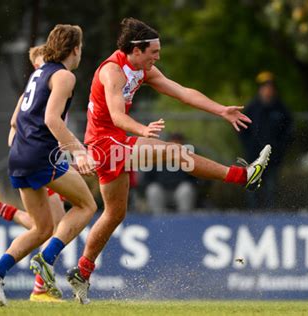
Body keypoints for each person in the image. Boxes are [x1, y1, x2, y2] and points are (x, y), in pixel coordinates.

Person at [65, 18, 271, 304]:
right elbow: (116, 116)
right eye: (154, 52)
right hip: (105, 144)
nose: (157, 57)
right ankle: (244, 176)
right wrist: (142, 130)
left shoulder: (142, 68)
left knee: (114, 213)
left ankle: (82, 271)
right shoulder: (113, 71)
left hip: (113, 142)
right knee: (174, 152)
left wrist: (220, 110)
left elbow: (183, 92)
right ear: (136, 50)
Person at [0, 24, 97, 306]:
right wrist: (79, 152)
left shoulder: (39, 73)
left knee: (42, 229)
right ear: (75, 49)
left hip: (18, 156)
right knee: (87, 205)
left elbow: (18, 119)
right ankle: (47, 259)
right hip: (41, 155)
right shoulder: (64, 75)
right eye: (81, 48)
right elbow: (53, 121)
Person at [0, 44, 67, 303]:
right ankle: (41, 289)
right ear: (37, 66)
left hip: (33, 160)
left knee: (44, 226)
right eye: (44, 61)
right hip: (39, 162)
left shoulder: (40, 88)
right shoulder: (41, 88)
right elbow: (16, 125)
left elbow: (15, 126)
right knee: (54, 226)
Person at [240, 71, 293, 209]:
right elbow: (242, 130)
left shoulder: (281, 109)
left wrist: (280, 147)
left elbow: (289, 130)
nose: (267, 91)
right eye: (264, 87)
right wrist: (249, 146)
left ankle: (270, 213)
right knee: (252, 185)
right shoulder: (252, 108)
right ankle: (253, 213)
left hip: (273, 157)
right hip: (254, 156)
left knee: (271, 187)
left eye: (270, 87)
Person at [140, 133, 199, 214]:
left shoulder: (189, 159)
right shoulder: (157, 157)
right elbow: (146, 179)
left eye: (178, 144)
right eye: (173, 143)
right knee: (153, 190)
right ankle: (158, 220)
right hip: (161, 191)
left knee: (186, 189)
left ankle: (185, 220)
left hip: (179, 191)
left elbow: (195, 179)